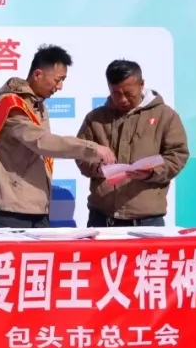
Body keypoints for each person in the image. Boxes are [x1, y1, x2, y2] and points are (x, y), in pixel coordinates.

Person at [0, 44, 116, 229]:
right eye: (58, 80)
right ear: (38, 74)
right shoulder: (12, 106)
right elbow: (42, 142)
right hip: (11, 207)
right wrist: (92, 148)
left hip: (36, 205)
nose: (59, 87)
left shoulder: (38, 105)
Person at [76, 59, 190, 227]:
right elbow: (80, 153)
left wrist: (151, 173)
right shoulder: (95, 118)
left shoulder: (165, 116)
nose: (122, 99)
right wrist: (98, 168)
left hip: (147, 221)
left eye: (129, 93)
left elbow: (177, 155)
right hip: (102, 218)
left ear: (141, 85)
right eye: (116, 93)